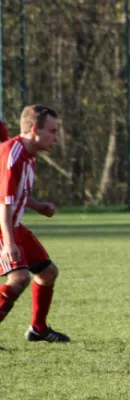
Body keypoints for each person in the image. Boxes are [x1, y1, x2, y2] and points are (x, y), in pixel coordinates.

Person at [0, 105, 70, 348]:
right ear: (33, 129)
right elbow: (4, 202)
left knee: (48, 272)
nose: (55, 137)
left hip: (13, 223)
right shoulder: (13, 154)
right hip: (2, 224)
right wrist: (9, 243)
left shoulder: (29, 154)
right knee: (18, 278)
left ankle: (38, 329)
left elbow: (18, 194)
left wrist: (38, 206)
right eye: (52, 131)